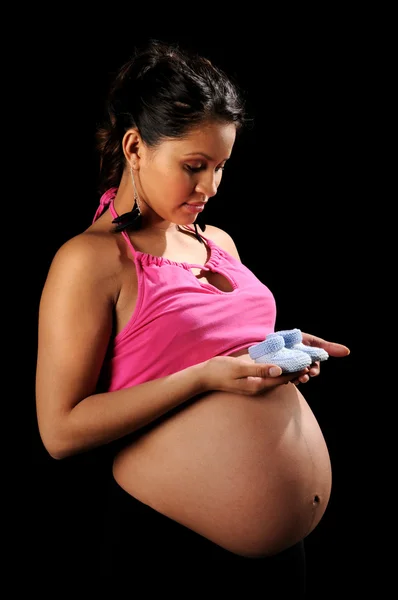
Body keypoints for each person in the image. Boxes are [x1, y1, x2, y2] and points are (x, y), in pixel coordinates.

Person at [35, 39, 350, 595]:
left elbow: (215, 351)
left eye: (221, 166)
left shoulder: (218, 241)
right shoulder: (90, 260)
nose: (210, 187)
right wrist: (204, 377)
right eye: (194, 166)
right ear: (135, 147)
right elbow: (60, 431)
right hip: (169, 548)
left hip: (279, 553)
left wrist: (278, 354)